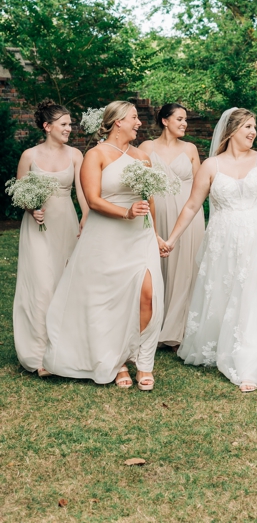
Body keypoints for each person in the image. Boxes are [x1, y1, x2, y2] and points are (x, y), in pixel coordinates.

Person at [163, 108, 257, 392]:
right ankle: (229, 346)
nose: (253, 132)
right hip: (226, 241)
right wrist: (171, 239)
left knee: (256, 294)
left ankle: (249, 363)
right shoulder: (211, 166)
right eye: (247, 126)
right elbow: (193, 206)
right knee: (229, 292)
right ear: (231, 130)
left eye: (254, 126)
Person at [43, 101, 163, 390]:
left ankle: (144, 360)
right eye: (134, 118)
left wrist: (155, 234)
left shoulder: (142, 157)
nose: (139, 123)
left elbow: (150, 200)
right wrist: (125, 212)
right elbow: (93, 200)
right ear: (118, 121)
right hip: (107, 235)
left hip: (140, 236)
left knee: (148, 293)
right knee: (108, 300)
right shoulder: (95, 155)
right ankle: (117, 360)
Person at [12, 100, 88, 375]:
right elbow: (20, 195)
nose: (70, 128)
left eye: (70, 124)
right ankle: (39, 355)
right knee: (42, 286)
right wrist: (32, 209)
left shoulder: (76, 155)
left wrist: (86, 216)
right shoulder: (29, 156)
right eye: (64, 124)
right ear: (47, 126)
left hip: (65, 224)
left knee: (63, 284)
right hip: (38, 228)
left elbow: (82, 192)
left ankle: (64, 350)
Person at [138, 103, 204, 347]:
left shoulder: (190, 149)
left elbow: (201, 186)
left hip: (188, 218)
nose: (184, 123)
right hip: (156, 214)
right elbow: (138, 184)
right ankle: (155, 322)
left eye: (185, 119)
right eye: (179, 119)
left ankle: (182, 327)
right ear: (165, 121)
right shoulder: (146, 148)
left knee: (186, 268)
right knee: (156, 267)